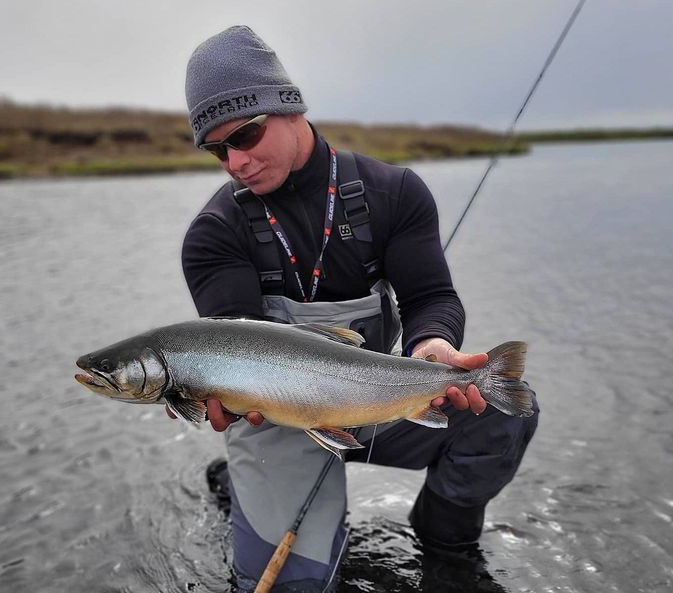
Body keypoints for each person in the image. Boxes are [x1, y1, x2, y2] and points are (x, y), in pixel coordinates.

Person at [172, 25, 539, 593]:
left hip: (374, 402)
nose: (234, 161)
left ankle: (445, 548)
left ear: (288, 107)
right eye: (217, 149)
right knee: (294, 588)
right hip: (277, 424)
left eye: (244, 136)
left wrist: (431, 346)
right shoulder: (214, 235)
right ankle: (239, 484)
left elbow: (431, 298)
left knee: (506, 412)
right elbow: (233, 351)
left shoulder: (393, 193)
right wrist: (205, 397)